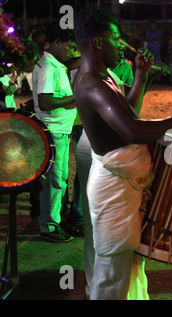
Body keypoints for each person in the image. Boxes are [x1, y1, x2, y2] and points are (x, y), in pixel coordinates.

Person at [73, 7, 172, 300]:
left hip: (118, 184)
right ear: (98, 42)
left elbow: (129, 112)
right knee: (112, 273)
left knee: (129, 266)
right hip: (114, 189)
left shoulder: (104, 77)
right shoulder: (93, 85)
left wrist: (141, 74)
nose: (120, 45)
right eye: (115, 39)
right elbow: (132, 130)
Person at [32, 22, 77, 243]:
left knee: (58, 179)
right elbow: (45, 101)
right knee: (55, 180)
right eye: (69, 47)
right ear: (57, 43)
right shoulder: (49, 67)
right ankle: (49, 226)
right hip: (53, 131)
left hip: (58, 130)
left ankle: (52, 220)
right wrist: (76, 97)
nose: (72, 52)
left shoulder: (54, 64)